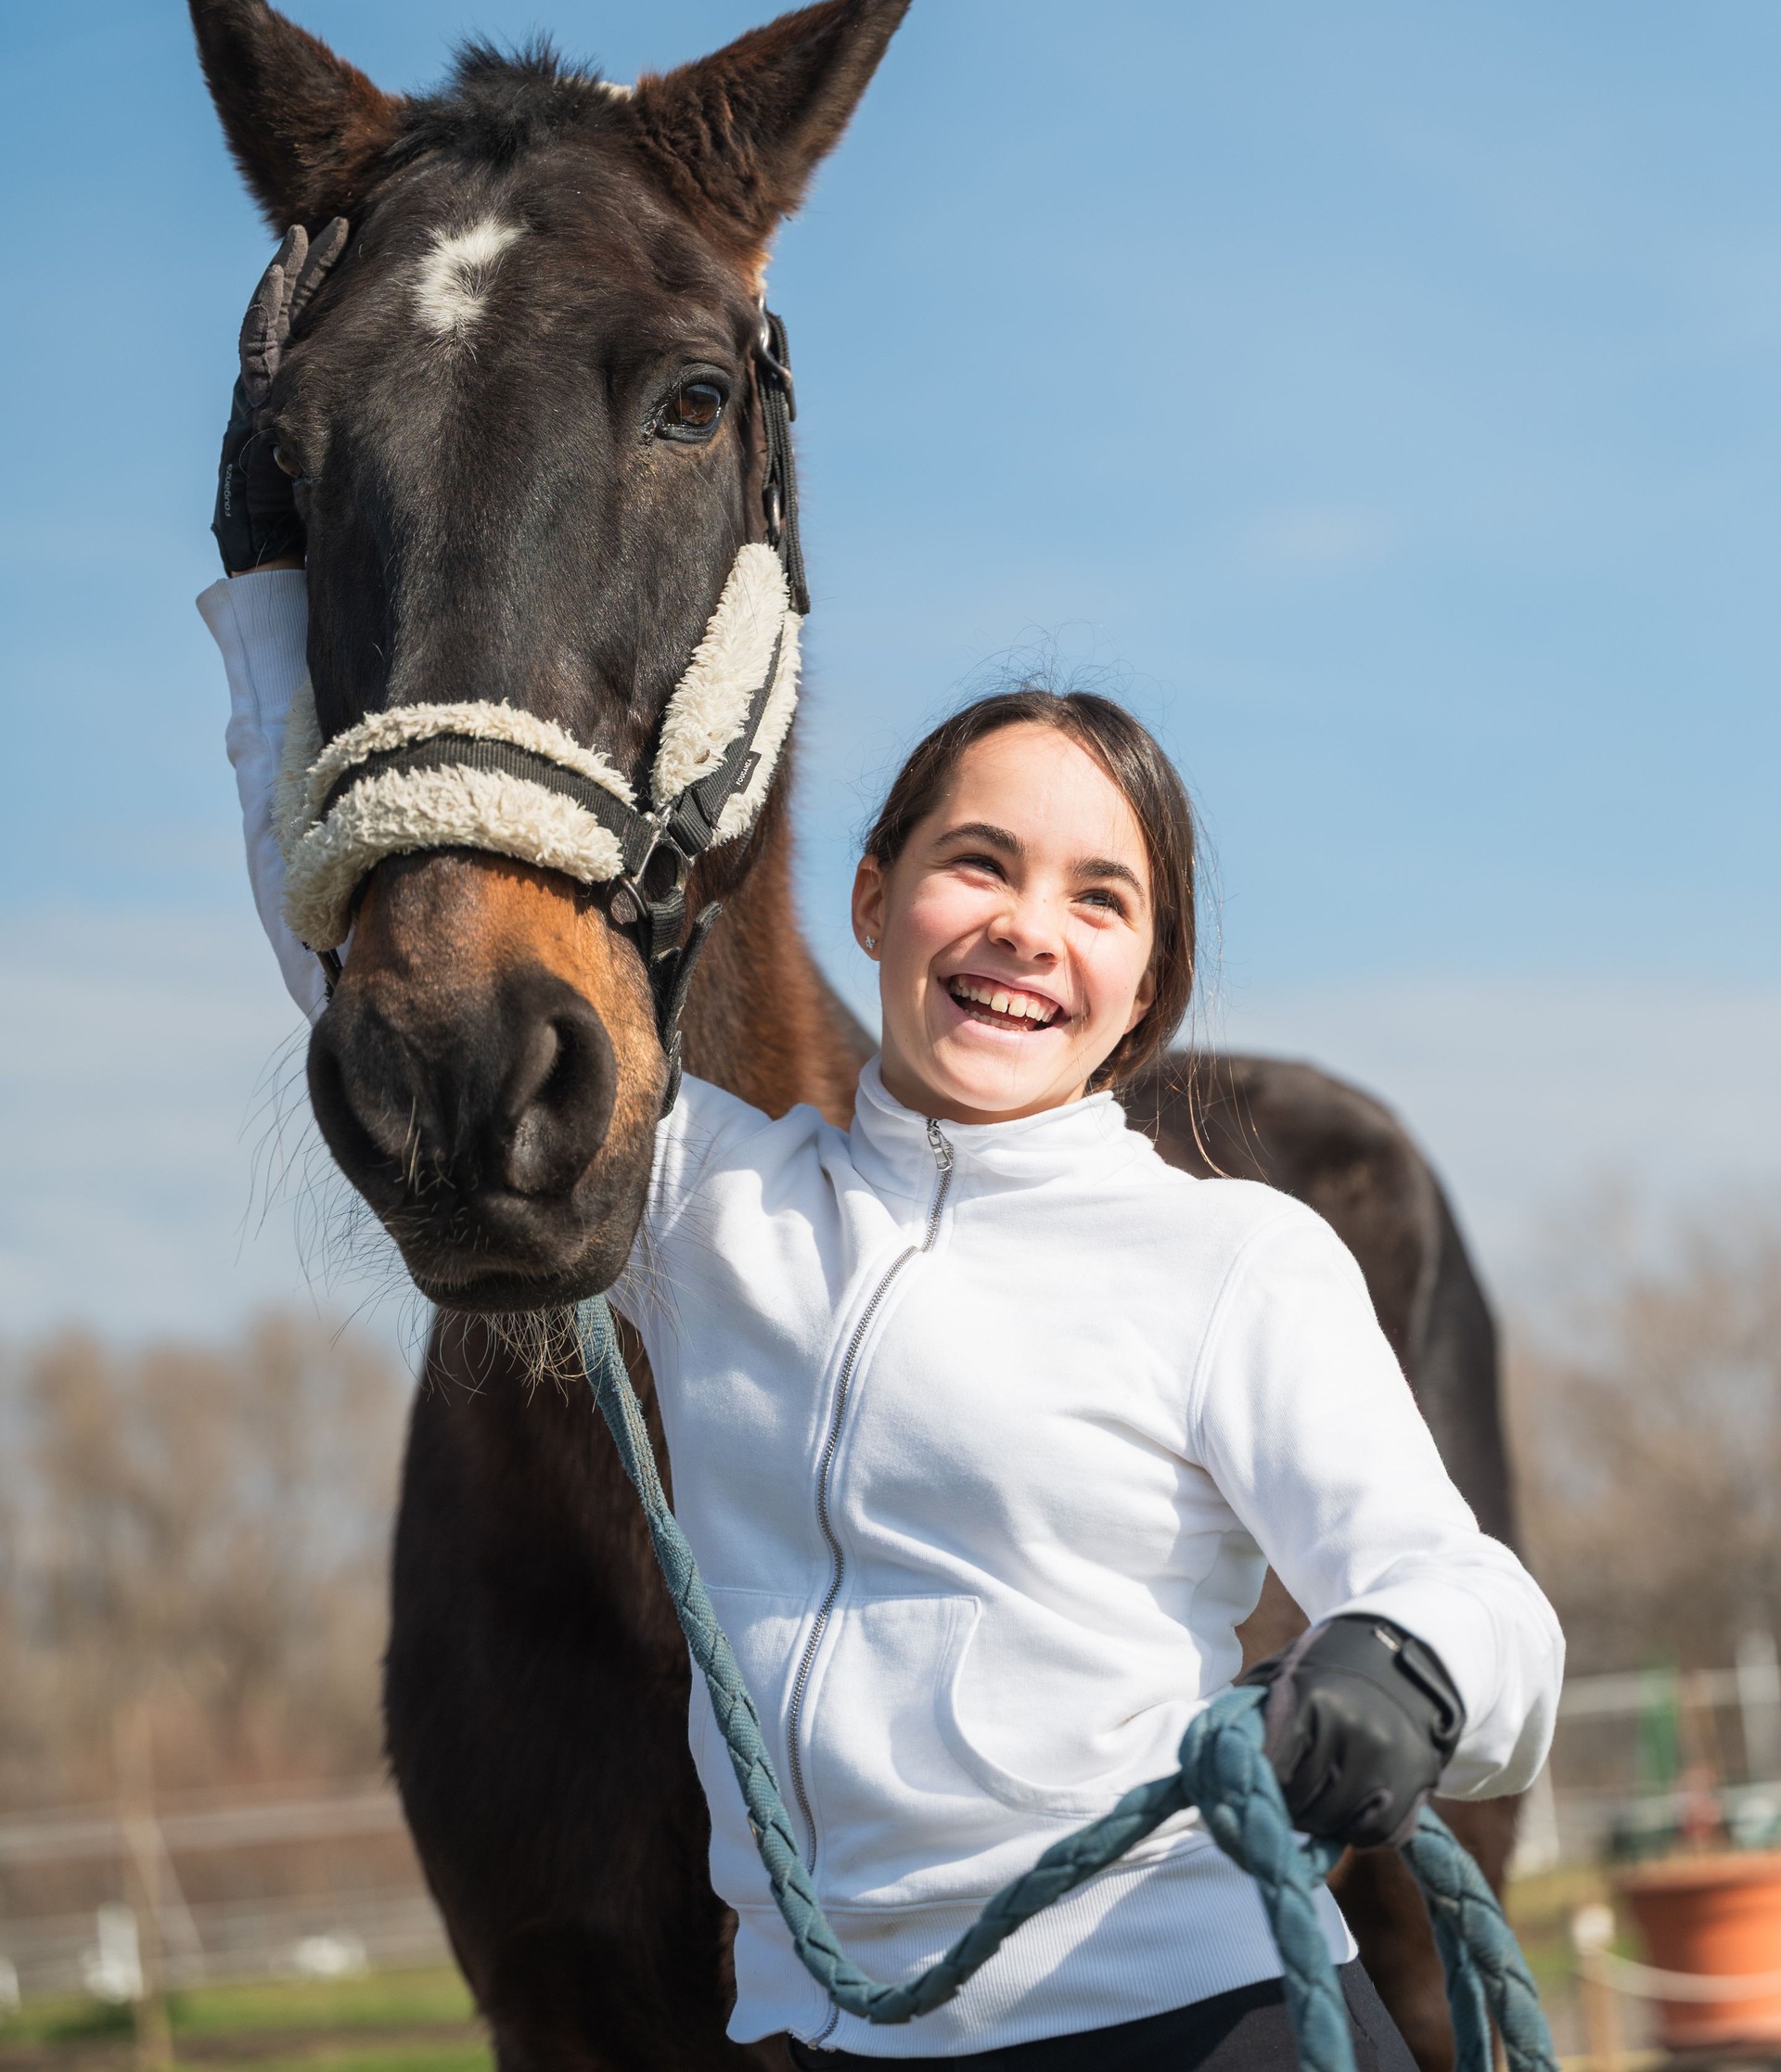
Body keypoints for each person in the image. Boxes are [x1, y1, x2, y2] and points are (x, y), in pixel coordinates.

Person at [201, 231, 1562, 2072]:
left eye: (1099, 897)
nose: (1027, 929)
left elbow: (1467, 1589)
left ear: (1146, 979)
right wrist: (271, 599)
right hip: (832, 2043)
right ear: (872, 894)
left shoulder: (1234, 1258)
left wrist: (1406, 1671)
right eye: (979, 866)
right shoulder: (717, 1217)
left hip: (1191, 2015)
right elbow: (372, 965)